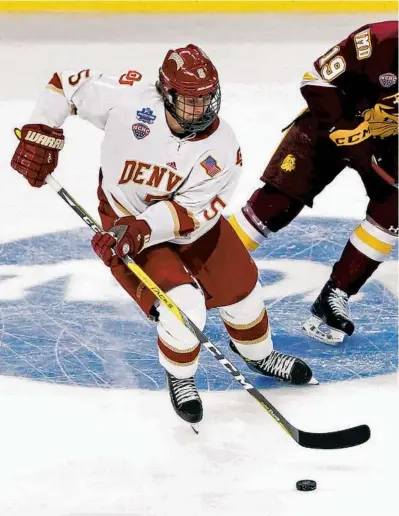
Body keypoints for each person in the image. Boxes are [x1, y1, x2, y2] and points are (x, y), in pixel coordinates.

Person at [10, 44, 312, 427]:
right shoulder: (129, 101)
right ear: (166, 93)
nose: (200, 109)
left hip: (189, 229)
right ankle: (182, 378)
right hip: (123, 220)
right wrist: (42, 131)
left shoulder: (224, 148)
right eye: (189, 101)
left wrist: (143, 230)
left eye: (206, 98)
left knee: (244, 289)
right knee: (183, 308)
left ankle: (258, 354)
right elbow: (66, 84)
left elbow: (191, 213)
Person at [230, 21, 398, 345]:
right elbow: (315, 79)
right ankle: (203, 275)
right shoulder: (375, 41)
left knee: (393, 209)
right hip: (329, 126)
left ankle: (335, 296)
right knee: (275, 205)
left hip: (388, 144)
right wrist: (341, 127)